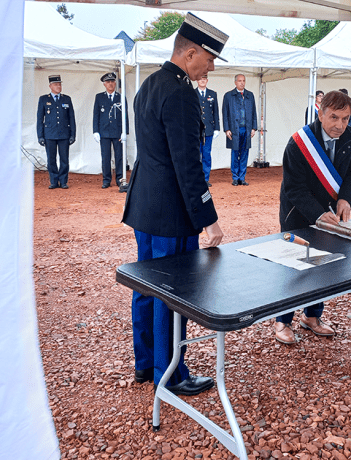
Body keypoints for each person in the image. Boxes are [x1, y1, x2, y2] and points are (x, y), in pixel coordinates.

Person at [121, 13, 228, 397]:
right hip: (171, 213)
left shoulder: (149, 84)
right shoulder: (181, 92)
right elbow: (187, 164)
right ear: (191, 53)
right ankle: (172, 373)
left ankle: (146, 363)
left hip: (145, 207)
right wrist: (208, 218)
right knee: (171, 291)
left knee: (145, 287)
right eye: (210, 59)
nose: (211, 67)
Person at [274, 91, 351, 344]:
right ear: (320, 113)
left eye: (345, 119)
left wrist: (346, 199)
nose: (340, 125)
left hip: (330, 214)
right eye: (334, 117)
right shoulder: (299, 143)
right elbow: (294, 189)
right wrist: (319, 213)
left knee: (322, 262)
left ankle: (312, 316)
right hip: (297, 214)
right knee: (294, 265)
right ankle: (283, 321)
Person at [36, 75, 76, 189]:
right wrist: (40, 136)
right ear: (50, 86)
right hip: (49, 134)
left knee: (64, 159)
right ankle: (53, 181)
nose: (58, 86)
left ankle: (63, 181)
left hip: (64, 134)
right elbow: (40, 119)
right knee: (51, 159)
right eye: (56, 84)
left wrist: (73, 134)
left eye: (59, 84)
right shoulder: (44, 99)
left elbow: (71, 118)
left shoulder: (66, 99)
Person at [92, 72, 129, 189]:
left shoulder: (121, 97)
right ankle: (106, 180)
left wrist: (125, 131)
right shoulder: (99, 97)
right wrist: (95, 131)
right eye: (108, 82)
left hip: (117, 131)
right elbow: (96, 115)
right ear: (104, 84)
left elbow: (125, 116)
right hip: (104, 132)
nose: (111, 84)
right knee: (105, 157)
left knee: (119, 157)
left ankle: (119, 178)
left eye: (112, 81)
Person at [222, 74, 257, 186]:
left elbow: (254, 113)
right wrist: (227, 129)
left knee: (244, 153)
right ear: (235, 82)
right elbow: (225, 114)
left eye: (244, 81)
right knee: (235, 153)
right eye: (240, 81)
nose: (242, 83)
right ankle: (235, 178)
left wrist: (253, 128)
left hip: (246, 129)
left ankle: (242, 177)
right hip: (234, 130)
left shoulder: (250, 95)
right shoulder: (228, 96)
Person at [197, 74, 220, 187]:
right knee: (197, 155)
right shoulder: (192, 93)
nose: (202, 81)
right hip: (195, 130)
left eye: (204, 79)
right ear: (197, 80)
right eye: (200, 79)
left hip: (208, 130)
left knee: (206, 154)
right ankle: (197, 179)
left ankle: (205, 178)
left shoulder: (212, 94)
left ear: (207, 80)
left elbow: (215, 112)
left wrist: (217, 128)